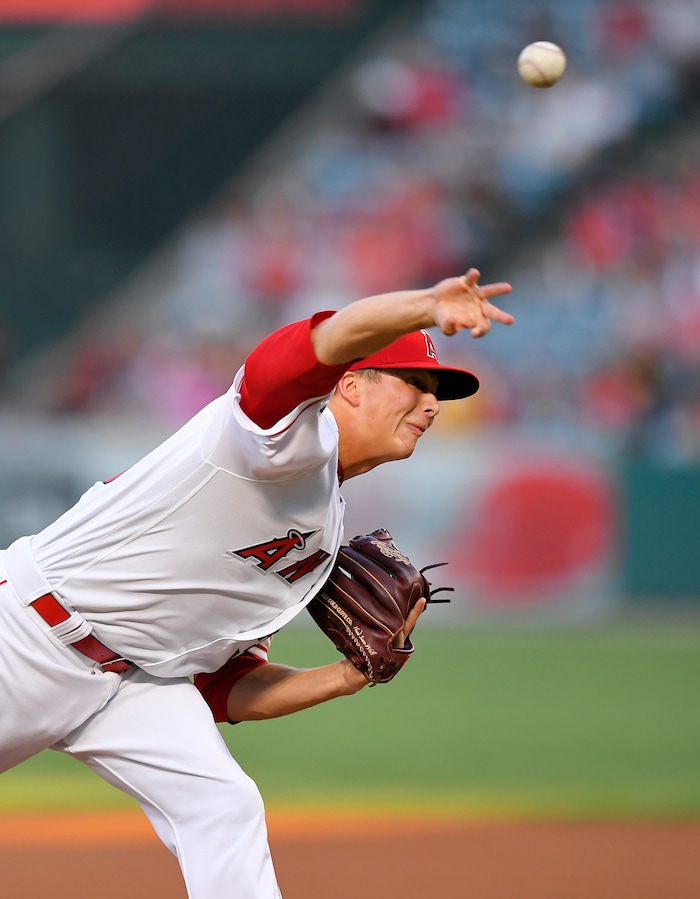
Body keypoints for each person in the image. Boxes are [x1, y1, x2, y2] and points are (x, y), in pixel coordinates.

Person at [0, 267, 513, 898]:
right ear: (350, 385)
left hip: (132, 680)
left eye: (437, 390)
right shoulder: (275, 439)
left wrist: (348, 678)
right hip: (24, 635)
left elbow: (228, 689)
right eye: (415, 382)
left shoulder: (325, 537)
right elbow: (316, 344)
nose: (432, 403)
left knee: (223, 807)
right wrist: (426, 306)